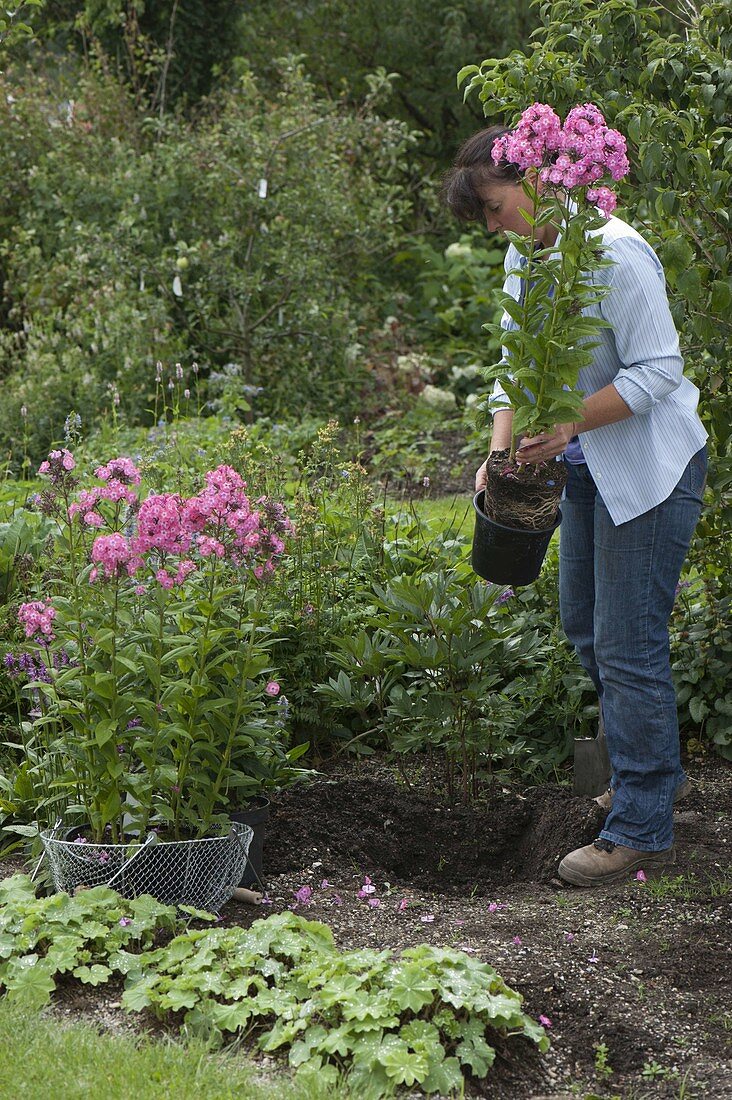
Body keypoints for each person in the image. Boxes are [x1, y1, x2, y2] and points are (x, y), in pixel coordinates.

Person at [443, 126, 708, 886]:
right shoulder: (531, 250)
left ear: (535, 179)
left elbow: (660, 369)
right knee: (583, 626)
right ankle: (647, 770)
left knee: (628, 646)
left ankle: (640, 828)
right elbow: (512, 361)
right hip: (587, 468)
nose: (494, 227)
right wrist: (500, 454)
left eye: (495, 208)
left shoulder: (614, 251)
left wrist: (566, 424)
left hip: (650, 470)